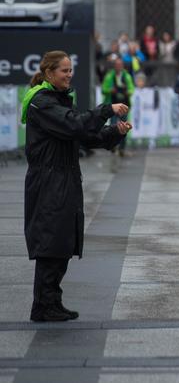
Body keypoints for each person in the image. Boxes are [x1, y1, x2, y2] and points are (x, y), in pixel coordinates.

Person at [22, 51, 131, 322]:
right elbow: (74, 125)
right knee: (50, 242)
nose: (69, 75)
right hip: (48, 182)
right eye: (64, 70)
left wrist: (114, 133)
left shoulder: (57, 100)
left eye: (70, 70)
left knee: (62, 241)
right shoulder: (41, 103)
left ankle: (52, 301)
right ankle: (43, 305)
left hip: (63, 179)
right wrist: (106, 110)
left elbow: (84, 136)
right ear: (49, 73)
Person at [101, 57, 135, 158]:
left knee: (124, 127)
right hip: (113, 106)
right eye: (117, 65)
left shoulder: (127, 76)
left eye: (120, 65)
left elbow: (131, 89)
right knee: (113, 126)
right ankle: (112, 146)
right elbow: (104, 89)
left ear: (122, 66)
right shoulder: (109, 76)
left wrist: (128, 92)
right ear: (114, 66)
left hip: (124, 106)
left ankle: (122, 149)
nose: (118, 67)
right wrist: (110, 90)